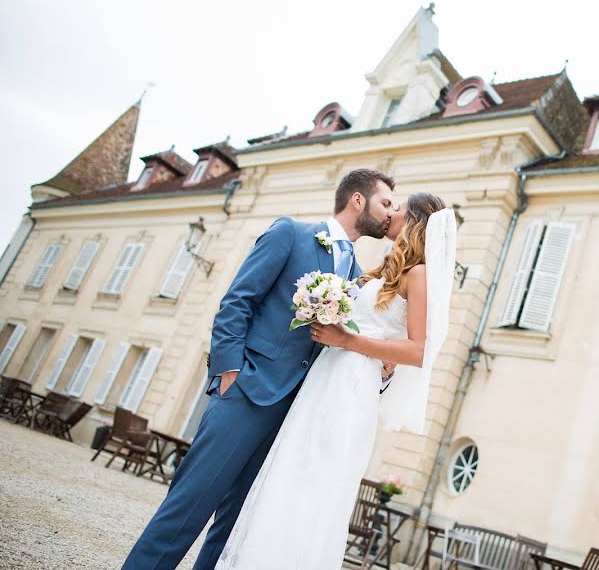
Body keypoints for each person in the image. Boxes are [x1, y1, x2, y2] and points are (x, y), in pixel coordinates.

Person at [123, 169, 397, 570]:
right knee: (188, 506)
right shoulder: (291, 234)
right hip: (247, 393)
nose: (390, 213)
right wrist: (229, 372)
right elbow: (238, 301)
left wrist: (383, 369)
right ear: (358, 200)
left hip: (294, 418)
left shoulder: (357, 277)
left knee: (238, 527)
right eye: (385, 202)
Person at [215, 193, 456, 569]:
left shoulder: (419, 274)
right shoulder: (383, 269)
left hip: (350, 388)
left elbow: (419, 351)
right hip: (326, 376)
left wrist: (350, 341)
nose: (390, 213)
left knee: (317, 480)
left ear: (415, 221)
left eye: (398, 208)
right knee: (292, 470)